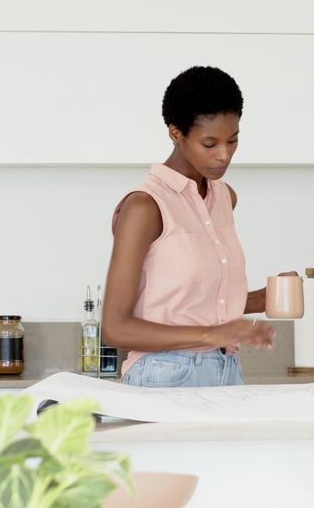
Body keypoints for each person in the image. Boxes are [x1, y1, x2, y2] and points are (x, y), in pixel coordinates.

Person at [102, 66, 276, 387]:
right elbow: (115, 328)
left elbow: (195, 301)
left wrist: (265, 298)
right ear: (176, 133)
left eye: (233, 141)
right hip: (164, 374)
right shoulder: (145, 205)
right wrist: (214, 333)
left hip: (227, 371)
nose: (224, 155)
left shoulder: (224, 197)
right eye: (209, 144)